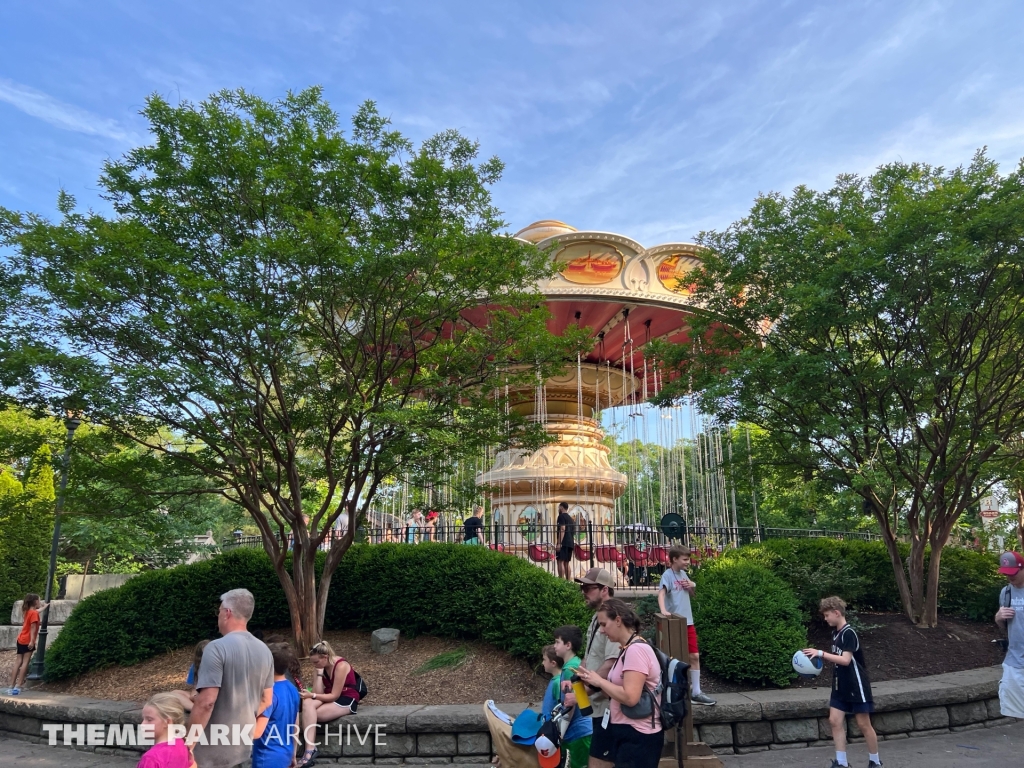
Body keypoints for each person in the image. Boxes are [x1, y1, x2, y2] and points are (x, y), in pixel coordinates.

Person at [189, 589, 275, 768]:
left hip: (210, 753)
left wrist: (188, 743)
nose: (218, 616)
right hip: (241, 749)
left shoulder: (216, 648)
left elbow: (206, 702)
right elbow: (267, 700)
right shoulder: (265, 651)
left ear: (227, 613)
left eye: (219, 611)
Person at [576, 598, 663, 768]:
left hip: (639, 735)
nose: (601, 631)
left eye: (603, 624)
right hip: (626, 731)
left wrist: (599, 681)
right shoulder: (626, 649)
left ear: (618, 620)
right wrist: (591, 681)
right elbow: (614, 692)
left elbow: (630, 698)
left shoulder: (636, 651)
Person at [803, 596, 880, 768]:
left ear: (836, 613)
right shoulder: (835, 633)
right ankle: (842, 763)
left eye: (827, 615)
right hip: (840, 683)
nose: (825, 618)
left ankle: (875, 762)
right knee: (834, 720)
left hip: (856, 684)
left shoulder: (849, 633)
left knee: (863, 724)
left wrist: (820, 653)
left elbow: (845, 660)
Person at [573, 568, 621, 768]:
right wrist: (575, 682)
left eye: (588, 587)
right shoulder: (597, 618)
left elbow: (611, 663)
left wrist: (585, 691)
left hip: (609, 708)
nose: (583, 591)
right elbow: (588, 658)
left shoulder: (614, 618)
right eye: (582, 586)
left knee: (599, 763)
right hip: (596, 708)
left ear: (604, 590)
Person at [656, 545, 715, 706]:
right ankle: (672, 690)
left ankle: (696, 692)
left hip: (688, 622)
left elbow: (691, 594)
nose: (688, 562)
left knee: (694, 656)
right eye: (685, 559)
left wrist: (691, 586)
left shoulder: (684, 574)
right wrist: (663, 610)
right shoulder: (667, 575)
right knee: (674, 657)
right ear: (675, 559)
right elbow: (661, 593)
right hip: (674, 623)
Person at [297, 640, 361, 766]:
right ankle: (310, 749)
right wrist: (319, 674)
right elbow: (317, 692)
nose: (314, 665)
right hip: (327, 696)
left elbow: (335, 695)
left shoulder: (341, 665)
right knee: (308, 704)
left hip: (346, 697)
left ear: (325, 657)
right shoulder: (319, 667)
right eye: (313, 662)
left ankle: (309, 750)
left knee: (312, 714)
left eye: (316, 662)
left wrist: (312, 695)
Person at [252, 644, 302, 768]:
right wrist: (293, 754)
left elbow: (257, 732)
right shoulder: (293, 689)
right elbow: (295, 724)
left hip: (267, 758)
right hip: (286, 753)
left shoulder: (269, 694)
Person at [552, 626, 592, 768]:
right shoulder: (573, 664)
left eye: (557, 642)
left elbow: (571, 705)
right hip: (578, 732)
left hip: (578, 733)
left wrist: (560, 733)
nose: (554, 646)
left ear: (568, 645)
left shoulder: (571, 669)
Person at [995, 551, 1024, 719]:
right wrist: (999, 619)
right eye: (1006, 574)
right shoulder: (1006, 593)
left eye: (1013, 573)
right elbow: (1006, 631)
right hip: (1015, 661)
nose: (1010, 578)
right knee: (1016, 713)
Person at [138, 692, 195, 768]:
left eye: (149, 719)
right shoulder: (181, 743)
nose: (142, 724)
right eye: (143, 719)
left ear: (167, 722)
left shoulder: (151, 758)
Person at [7, 593, 47, 695]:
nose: (40, 602)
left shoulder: (27, 611)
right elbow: (33, 628)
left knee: (18, 662)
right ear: (35, 602)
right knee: (25, 663)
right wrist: (32, 641)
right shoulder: (34, 614)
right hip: (28, 640)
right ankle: (18, 685)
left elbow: (36, 611)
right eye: (39, 600)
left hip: (20, 639)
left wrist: (44, 607)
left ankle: (11, 685)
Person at [169, 639, 211, 712]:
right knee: (175, 693)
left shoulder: (219, 664)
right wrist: (194, 696)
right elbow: (195, 687)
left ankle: (198, 709)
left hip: (212, 695)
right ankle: (195, 709)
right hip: (200, 694)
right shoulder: (195, 666)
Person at [556, 502, 575, 580]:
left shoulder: (561, 517)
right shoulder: (570, 519)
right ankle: (568, 582)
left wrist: (559, 543)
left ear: (562, 507)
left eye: (559, 507)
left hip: (563, 542)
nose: (558, 509)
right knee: (566, 563)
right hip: (570, 542)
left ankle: (561, 581)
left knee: (560, 561)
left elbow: (563, 529)